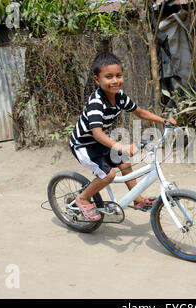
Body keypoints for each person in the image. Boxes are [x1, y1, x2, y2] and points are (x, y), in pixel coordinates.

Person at [69, 52, 177, 221]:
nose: (115, 81)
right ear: (97, 80)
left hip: (100, 141)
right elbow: (97, 133)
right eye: (109, 77)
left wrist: (164, 121)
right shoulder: (97, 102)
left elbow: (140, 112)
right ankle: (82, 198)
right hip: (83, 145)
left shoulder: (119, 97)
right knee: (109, 175)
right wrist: (121, 146)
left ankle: (138, 199)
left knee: (124, 161)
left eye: (118, 75)